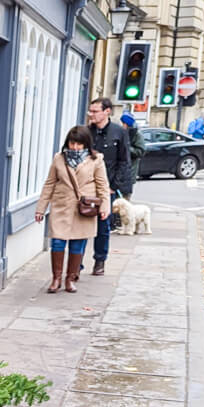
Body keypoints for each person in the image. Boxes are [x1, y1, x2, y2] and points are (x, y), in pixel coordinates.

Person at [35, 125, 111, 293]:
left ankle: (71, 278)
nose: (75, 147)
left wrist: (105, 206)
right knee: (57, 242)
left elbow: (102, 185)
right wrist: (41, 208)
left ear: (86, 144)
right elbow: (49, 183)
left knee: (77, 245)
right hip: (62, 205)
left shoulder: (96, 159)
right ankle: (56, 279)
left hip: (83, 208)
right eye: (72, 143)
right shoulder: (59, 158)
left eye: (79, 144)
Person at [87, 97, 133, 275]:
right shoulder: (86, 132)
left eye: (95, 111)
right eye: (90, 111)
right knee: (82, 225)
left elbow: (124, 161)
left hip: (107, 188)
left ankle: (100, 261)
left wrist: (114, 186)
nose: (91, 114)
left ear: (107, 111)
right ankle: (77, 264)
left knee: (103, 226)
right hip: (86, 186)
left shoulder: (118, 132)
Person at [120, 111, 145, 187]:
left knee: (125, 197)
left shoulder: (137, 135)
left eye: (123, 123)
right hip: (119, 174)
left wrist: (127, 148)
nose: (122, 125)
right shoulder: (122, 133)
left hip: (129, 173)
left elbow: (140, 152)